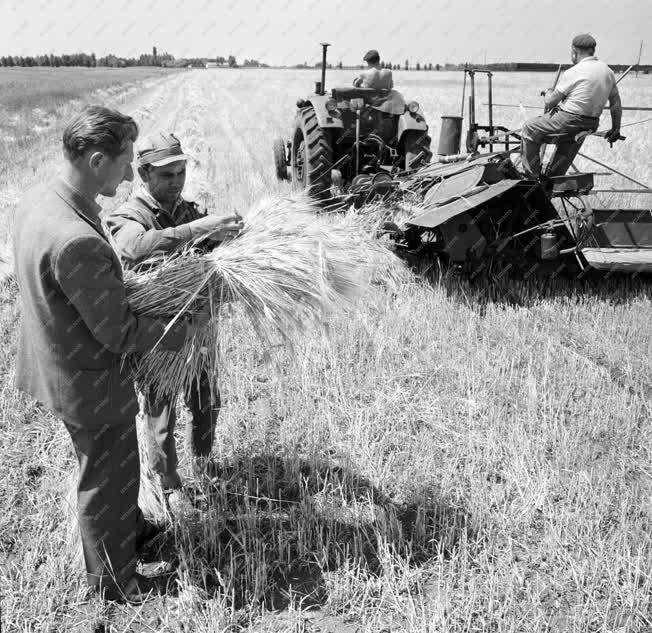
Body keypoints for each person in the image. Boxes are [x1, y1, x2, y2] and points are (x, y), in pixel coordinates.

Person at [12, 106, 206, 603]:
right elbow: (120, 332)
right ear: (97, 160)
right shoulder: (76, 239)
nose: (129, 174)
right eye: (124, 163)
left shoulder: (40, 200)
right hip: (89, 381)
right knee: (105, 477)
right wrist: (180, 325)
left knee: (115, 469)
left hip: (58, 362)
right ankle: (115, 581)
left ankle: (131, 530)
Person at [103, 132, 243, 514]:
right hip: (157, 338)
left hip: (198, 330)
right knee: (161, 416)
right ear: (144, 173)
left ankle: (205, 463)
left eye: (181, 172)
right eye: (167, 175)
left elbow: (216, 250)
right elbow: (135, 247)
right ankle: (168, 484)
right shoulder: (127, 215)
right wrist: (202, 228)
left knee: (208, 402)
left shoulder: (187, 210)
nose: (177, 181)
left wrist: (235, 238)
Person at [520, 34, 622, 178]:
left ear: (574, 51)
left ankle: (532, 177)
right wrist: (616, 128)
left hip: (568, 120)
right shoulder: (608, 71)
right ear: (592, 50)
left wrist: (549, 92)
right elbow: (616, 104)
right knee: (569, 140)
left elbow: (551, 102)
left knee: (529, 128)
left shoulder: (574, 71)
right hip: (590, 124)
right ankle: (553, 180)